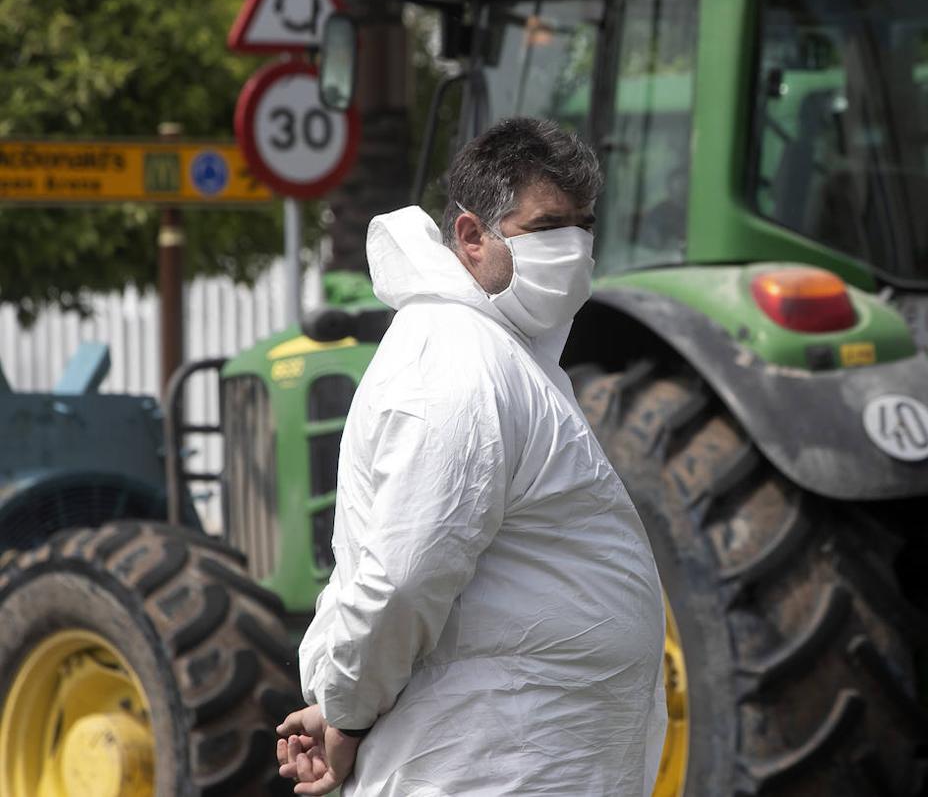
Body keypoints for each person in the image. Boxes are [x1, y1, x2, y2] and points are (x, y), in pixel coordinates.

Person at [275, 117, 667, 796]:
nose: (572, 248)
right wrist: (348, 715)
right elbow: (402, 581)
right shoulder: (456, 359)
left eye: (584, 225)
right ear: (469, 236)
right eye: (547, 228)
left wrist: (347, 713)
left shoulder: (501, 353)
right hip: (487, 765)